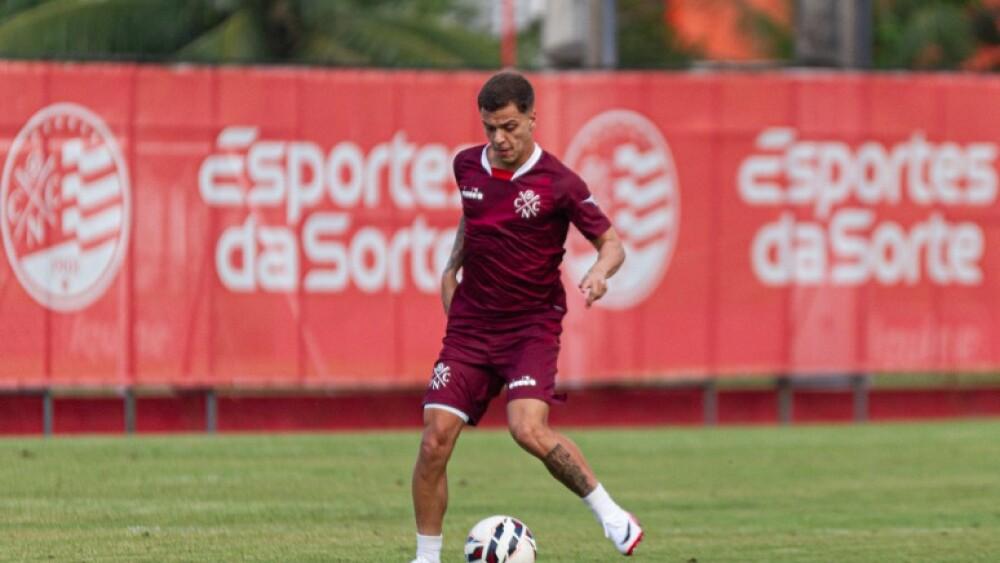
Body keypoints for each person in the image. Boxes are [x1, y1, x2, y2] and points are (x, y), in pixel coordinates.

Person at [410, 71, 642, 563]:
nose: (499, 139)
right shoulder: (466, 165)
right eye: (490, 127)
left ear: (534, 118)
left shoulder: (559, 183)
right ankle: (426, 558)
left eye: (510, 126)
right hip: (471, 326)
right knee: (434, 442)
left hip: (529, 328)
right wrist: (452, 266)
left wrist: (600, 275)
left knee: (527, 430)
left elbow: (612, 245)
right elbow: (472, 217)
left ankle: (611, 514)